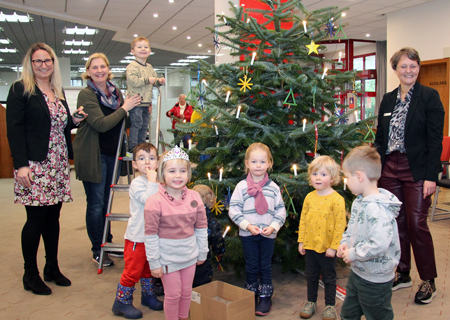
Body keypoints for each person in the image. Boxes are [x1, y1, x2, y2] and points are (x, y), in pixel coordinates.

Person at [6, 42, 87, 295]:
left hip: (58, 163)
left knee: (54, 218)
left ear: (53, 63)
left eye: (47, 60)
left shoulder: (57, 90)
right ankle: (30, 274)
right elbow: (15, 130)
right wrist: (20, 165)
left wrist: (73, 120)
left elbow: (58, 127)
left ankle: (52, 267)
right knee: (36, 220)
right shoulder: (21, 89)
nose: (43, 65)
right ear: (30, 65)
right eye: (38, 61)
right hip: (34, 165)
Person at [374, 47, 444, 304]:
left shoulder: (429, 97)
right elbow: (380, 138)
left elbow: (435, 141)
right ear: (395, 70)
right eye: (403, 66)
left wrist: (431, 176)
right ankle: (402, 273)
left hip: (417, 168)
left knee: (416, 223)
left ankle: (428, 280)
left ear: (419, 68)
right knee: (396, 224)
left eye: (413, 66)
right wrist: (375, 169)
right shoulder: (388, 99)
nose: (409, 71)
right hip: (389, 168)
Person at [73, 53, 142, 267]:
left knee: (107, 202)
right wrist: (125, 108)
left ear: (108, 68)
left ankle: (107, 243)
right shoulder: (86, 94)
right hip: (93, 154)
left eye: (102, 66)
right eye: (94, 67)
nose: (99, 70)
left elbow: (122, 119)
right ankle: (98, 249)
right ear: (88, 71)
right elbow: (101, 124)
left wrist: (135, 109)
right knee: (96, 204)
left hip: (112, 153)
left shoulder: (115, 92)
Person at [144, 146, 208, 320]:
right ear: (162, 174)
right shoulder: (154, 202)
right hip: (167, 258)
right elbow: (150, 236)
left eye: (182, 171)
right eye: (172, 171)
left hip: (189, 255)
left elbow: (201, 228)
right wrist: (154, 262)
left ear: (188, 173)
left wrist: (202, 252)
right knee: (173, 295)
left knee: (187, 292)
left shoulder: (194, 197)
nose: (178, 176)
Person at [338, 146, 401, 320]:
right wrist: (345, 242)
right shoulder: (359, 201)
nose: (346, 181)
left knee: (378, 315)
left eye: (347, 177)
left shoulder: (377, 210)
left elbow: (379, 245)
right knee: (348, 314)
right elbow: (351, 227)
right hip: (358, 271)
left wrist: (353, 253)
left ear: (359, 176)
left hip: (376, 279)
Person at [228, 142, 286, 316]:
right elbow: (234, 210)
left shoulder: (274, 188)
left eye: (262, 162)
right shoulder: (241, 187)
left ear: (269, 163)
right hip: (248, 234)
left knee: (265, 265)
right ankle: (251, 294)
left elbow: (281, 210)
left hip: (268, 234)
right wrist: (247, 226)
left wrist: (274, 227)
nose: (258, 166)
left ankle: (266, 296)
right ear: (247, 164)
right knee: (252, 265)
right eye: (254, 162)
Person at [111, 143, 163, 319]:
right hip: (137, 238)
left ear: (157, 162)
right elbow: (150, 201)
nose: (147, 163)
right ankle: (121, 302)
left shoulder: (157, 183)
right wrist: (151, 181)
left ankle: (148, 295)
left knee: (148, 269)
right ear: (134, 164)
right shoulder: (137, 183)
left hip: (152, 238)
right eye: (141, 159)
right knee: (133, 270)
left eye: (151, 158)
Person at [297, 156, 346, 320]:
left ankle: (330, 306)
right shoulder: (309, 197)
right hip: (310, 245)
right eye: (315, 173)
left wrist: (334, 246)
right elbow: (303, 219)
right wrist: (301, 240)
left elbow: (340, 225)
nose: (318, 177)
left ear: (332, 178)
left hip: (327, 248)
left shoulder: (337, 200)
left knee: (329, 278)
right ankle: (311, 302)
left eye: (323, 174)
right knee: (311, 275)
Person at [126, 37, 165, 155]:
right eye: (139, 47)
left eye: (145, 47)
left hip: (146, 103)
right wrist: (149, 80)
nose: (143, 49)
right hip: (136, 102)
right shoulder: (132, 66)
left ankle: (141, 146)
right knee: (136, 124)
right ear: (133, 51)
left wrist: (159, 81)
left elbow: (154, 80)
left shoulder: (149, 67)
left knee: (144, 125)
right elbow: (133, 81)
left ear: (149, 50)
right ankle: (132, 147)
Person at [192, 184, 226, 287]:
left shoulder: (185, 214)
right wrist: (219, 251)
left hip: (184, 253)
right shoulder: (211, 220)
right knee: (202, 279)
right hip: (202, 255)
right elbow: (216, 238)